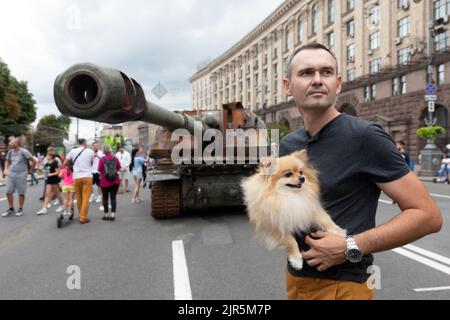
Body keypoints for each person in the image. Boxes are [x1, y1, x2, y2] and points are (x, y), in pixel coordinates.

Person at [279, 43, 442, 300]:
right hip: (297, 280)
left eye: (326, 72)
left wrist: (350, 246)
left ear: (339, 84)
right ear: (288, 86)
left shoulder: (365, 137)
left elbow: (428, 216)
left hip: (343, 286)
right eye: (307, 73)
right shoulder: (289, 144)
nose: (318, 80)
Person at [2, 138, 36, 217]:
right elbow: (7, 161)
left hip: (21, 174)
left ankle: (20, 208)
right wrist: (6, 169)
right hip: (11, 174)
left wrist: (31, 170)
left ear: (17, 143)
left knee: (21, 193)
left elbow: (33, 160)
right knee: (8, 192)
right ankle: (11, 208)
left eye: (12, 142)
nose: (10, 143)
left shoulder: (24, 151)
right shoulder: (10, 152)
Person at [66, 138, 94, 224]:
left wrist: (70, 168)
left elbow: (67, 161)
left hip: (76, 177)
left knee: (79, 197)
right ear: (85, 143)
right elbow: (92, 162)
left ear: (79, 143)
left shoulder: (73, 151)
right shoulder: (90, 151)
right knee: (86, 197)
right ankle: (83, 217)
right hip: (87, 176)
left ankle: (80, 215)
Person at [36, 147, 65, 215]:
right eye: (47, 155)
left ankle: (62, 205)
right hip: (48, 180)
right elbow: (44, 169)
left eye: (48, 156)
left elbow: (58, 172)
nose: (47, 157)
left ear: (52, 156)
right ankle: (45, 208)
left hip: (54, 179)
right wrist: (41, 170)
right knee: (47, 194)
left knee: (57, 193)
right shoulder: (47, 163)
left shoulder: (55, 162)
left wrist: (51, 174)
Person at [98, 144, 121, 221]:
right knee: (113, 197)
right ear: (110, 150)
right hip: (115, 180)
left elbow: (99, 170)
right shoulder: (115, 158)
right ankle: (113, 215)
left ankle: (106, 215)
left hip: (105, 181)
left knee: (105, 198)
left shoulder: (101, 159)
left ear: (103, 151)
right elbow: (119, 168)